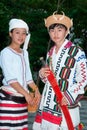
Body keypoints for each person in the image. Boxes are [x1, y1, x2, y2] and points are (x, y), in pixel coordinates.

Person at [33, 12, 87, 130]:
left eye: (59, 29)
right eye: (52, 30)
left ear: (67, 31)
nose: (55, 34)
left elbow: (84, 79)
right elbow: (49, 79)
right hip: (47, 105)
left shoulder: (77, 52)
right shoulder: (50, 53)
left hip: (65, 105)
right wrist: (42, 74)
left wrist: (69, 96)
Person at [0, 18, 41, 130]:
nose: (21, 36)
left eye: (24, 33)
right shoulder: (5, 53)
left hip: (22, 101)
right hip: (9, 100)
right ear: (10, 33)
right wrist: (27, 95)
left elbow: (28, 78)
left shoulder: (24, 53)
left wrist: (36, 90)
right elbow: (11, 80)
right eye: (17, 32)